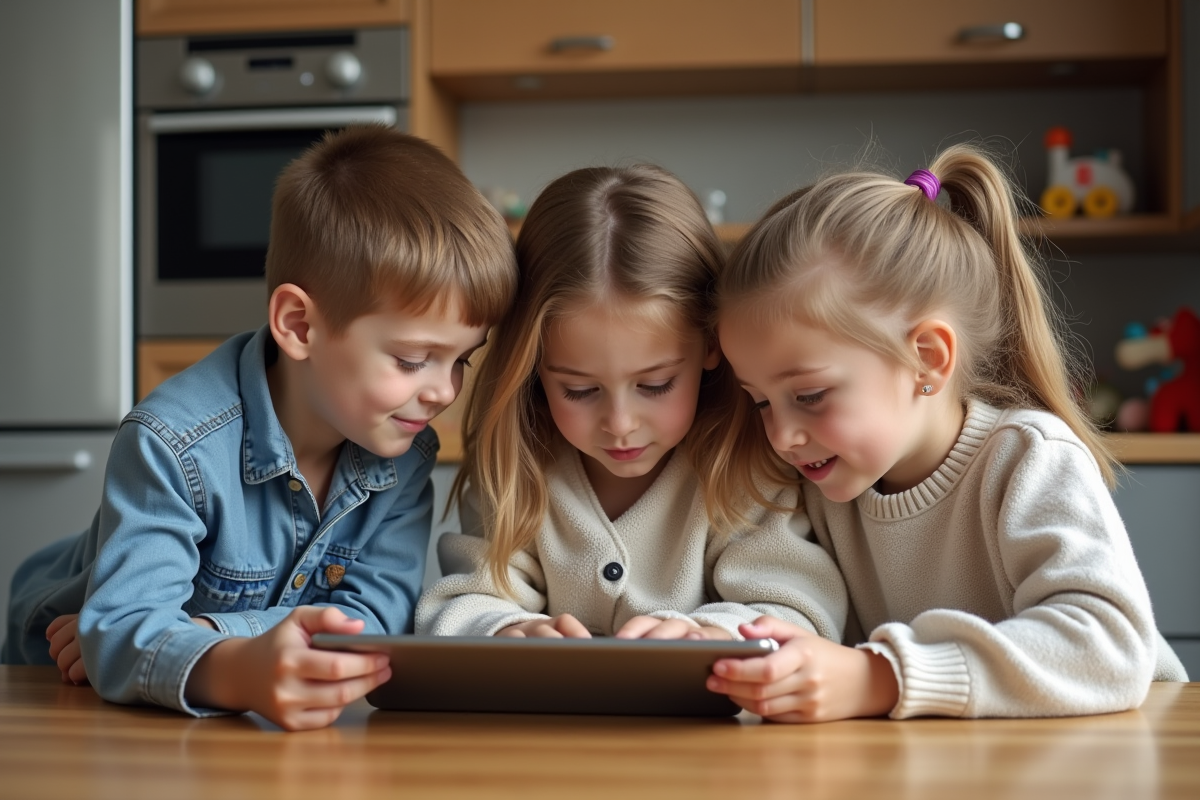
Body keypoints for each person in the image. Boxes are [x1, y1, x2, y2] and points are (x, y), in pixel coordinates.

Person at [1, 126, 517, 730]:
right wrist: (235, 664)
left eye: (461, 360)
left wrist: (214, 634)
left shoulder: (402, 451)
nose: (444, 391)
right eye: (410, 360)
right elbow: (118, 632)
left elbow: (377, 621)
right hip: (50, 682)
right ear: (299, 326)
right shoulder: (173, 441)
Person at [707, 144, 1189, 723]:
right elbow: (779, 610)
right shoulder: (817, 477)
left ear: (927, 359)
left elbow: (1108, 649)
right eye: (759, 400)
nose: (782, 435)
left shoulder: (1028, 459)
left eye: (809, 396)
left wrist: (882, 677)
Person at [416, 165, 847, 644]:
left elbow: (798, 610)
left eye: (656, 385)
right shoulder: (518, 467)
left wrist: (710, 635)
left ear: (709, 345)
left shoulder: (746, 466)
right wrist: (505, 629)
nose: (619, 425)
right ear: (533, 367)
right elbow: (461, 602)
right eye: (579, 391)